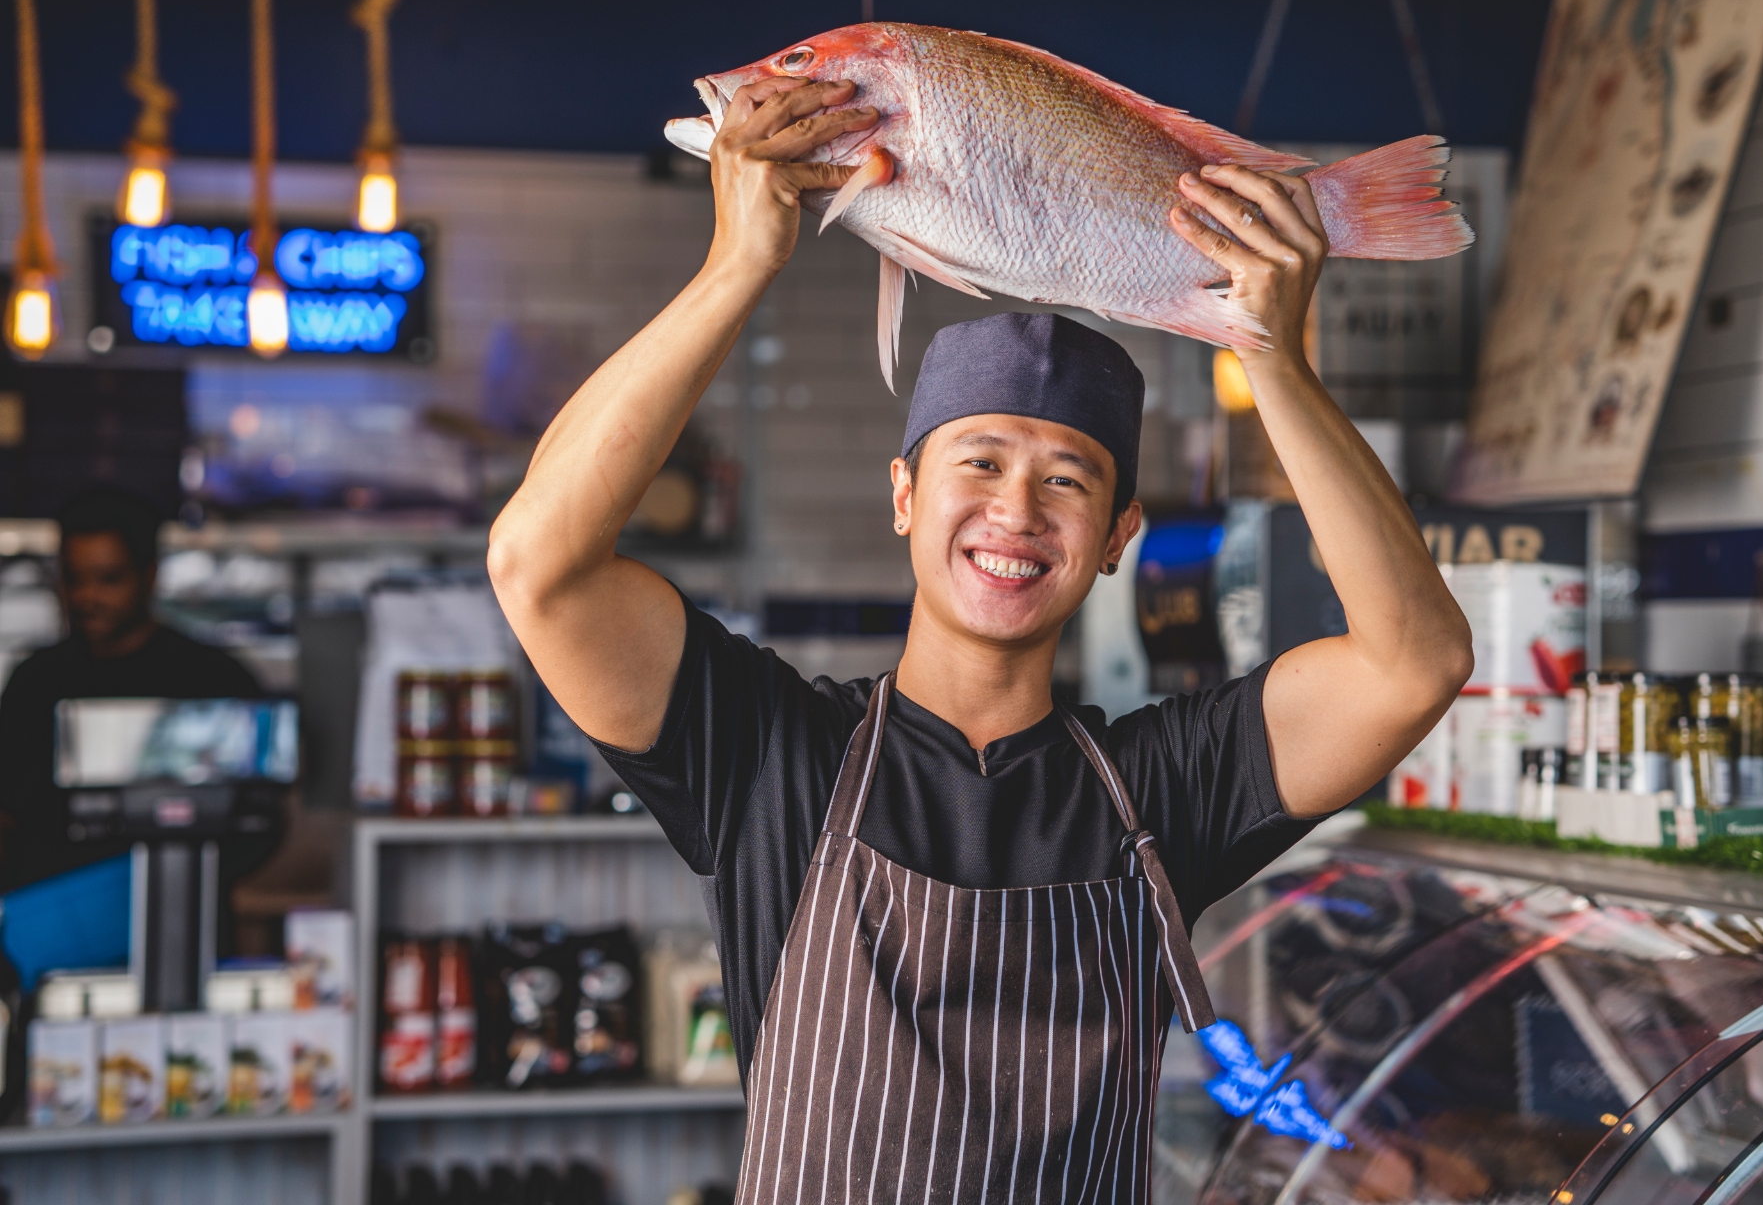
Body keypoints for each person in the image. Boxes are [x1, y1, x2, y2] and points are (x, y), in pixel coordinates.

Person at [489, 77, 1471, 1200]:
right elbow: (539, 564)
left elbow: (1415, 663)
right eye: (980, 463)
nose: (1015, 512)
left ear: (1116, 537)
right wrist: (738, 265)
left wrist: (1275, 357)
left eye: (1067, 480)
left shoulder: (1165, 785)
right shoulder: (767, 754)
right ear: (904, 494)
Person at [0, 487, 262, 891]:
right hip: (52, 924)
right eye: (74, 579)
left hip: (184, 907)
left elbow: (261, 821)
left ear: (150, 575)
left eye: (108, 579)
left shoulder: (212, 680)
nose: (88, 597)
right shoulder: (34, 683)